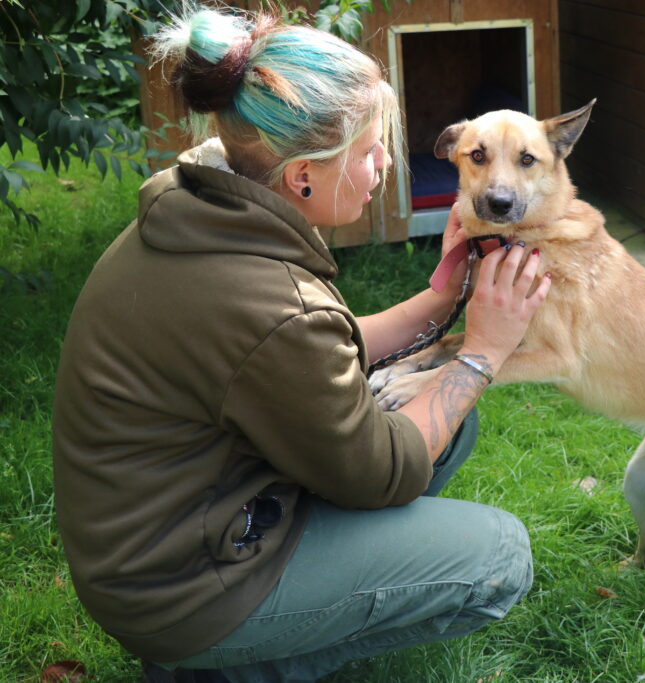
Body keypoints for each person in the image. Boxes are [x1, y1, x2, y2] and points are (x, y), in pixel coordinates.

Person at [50, 6, 551, 682]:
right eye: (371, 149)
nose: (384, 165)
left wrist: (439, 298)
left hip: (167, 533)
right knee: (500, 558)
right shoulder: (269, 304)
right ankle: (220, 668)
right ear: (302, 177)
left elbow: (308, 360)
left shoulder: (201, 206)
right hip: (182, 588)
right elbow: (382, 465)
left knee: (450, 422)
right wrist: (484, 352)